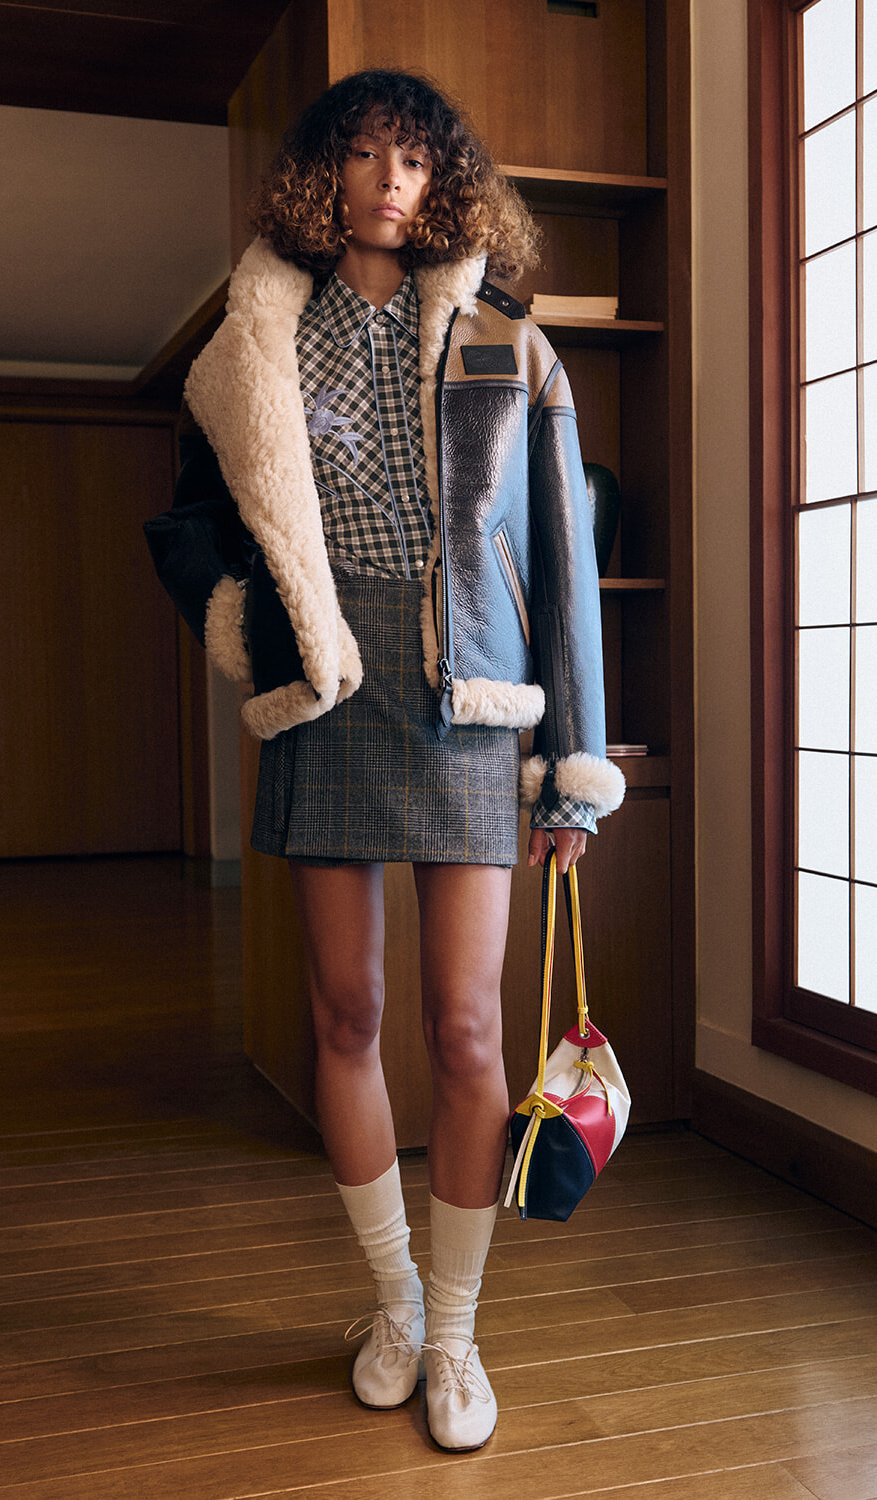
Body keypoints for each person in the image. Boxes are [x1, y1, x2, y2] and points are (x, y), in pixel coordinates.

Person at [145, 67, 623, 1451]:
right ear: (323, 178)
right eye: (362, 157)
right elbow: (191, 525)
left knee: (468, 1031)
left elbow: (563, 565)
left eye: (413, 160)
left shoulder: (506, 346)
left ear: (443, 184)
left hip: (471, 707)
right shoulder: (253, 344)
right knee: (342, 1019)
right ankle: (396, 1303)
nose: (388, 182)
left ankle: (461, 1335)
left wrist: (571, 765)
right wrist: (251, 630)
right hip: (326, 697)